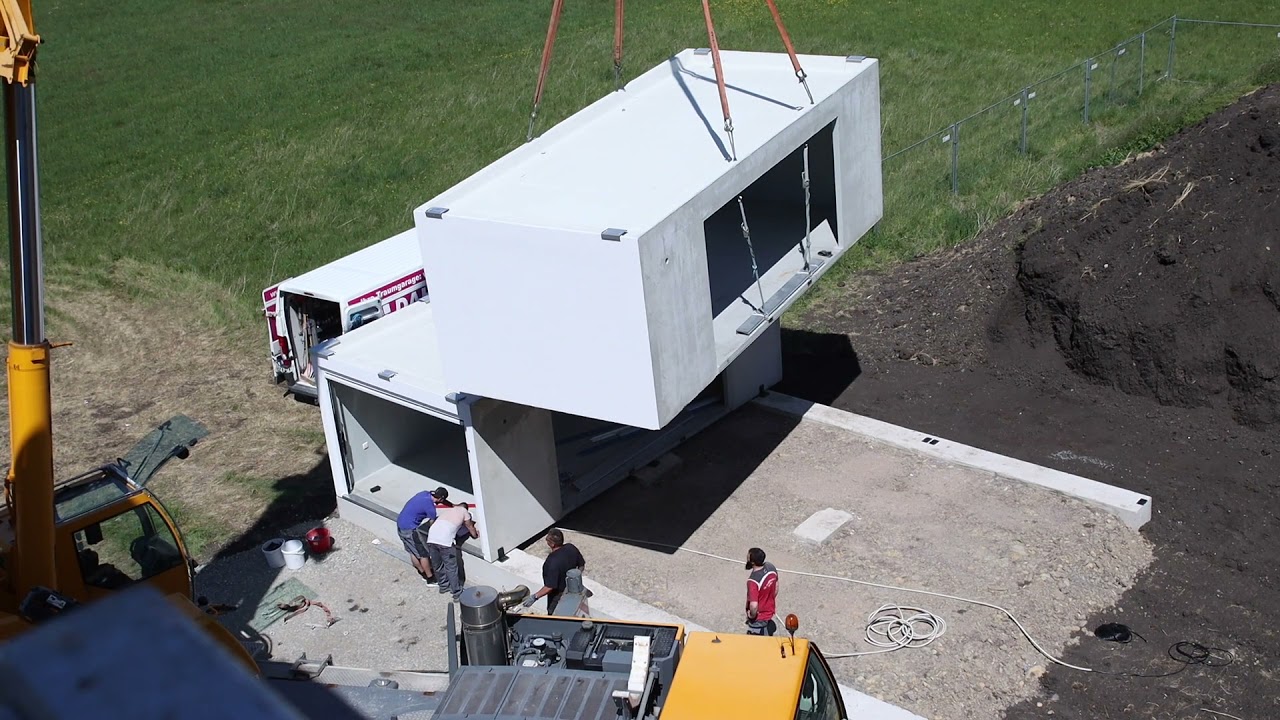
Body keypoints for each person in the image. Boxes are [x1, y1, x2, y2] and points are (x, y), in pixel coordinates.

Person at [522, 528, 585, 615]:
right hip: (572, 591)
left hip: (557, 597)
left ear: (552, 544)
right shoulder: (571, 548)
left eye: (547, 539)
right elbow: (581, 565)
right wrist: (575, 578)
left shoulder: (551, 562)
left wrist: (534, 597)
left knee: (554, 615)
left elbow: (549, 587)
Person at [425, 501, 478, 601]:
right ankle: (457, 593)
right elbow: (470, 526)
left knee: (438, 565)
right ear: (466, 509)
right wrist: (475, 535)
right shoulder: (464, 512)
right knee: (451, 568)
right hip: (445, 542)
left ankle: (443, 586)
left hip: (431, 538)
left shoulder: (448, 511)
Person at [396, 487, 448, 581]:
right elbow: (432, 525)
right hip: (410, 529)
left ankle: (421, 571)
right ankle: (430, 578)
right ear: (441, 499)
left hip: (401, 525)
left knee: (412, 551)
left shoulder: (424, 494)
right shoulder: (431, 508)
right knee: (423, 554)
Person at [744, 547, 779, 636]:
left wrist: (751, 616)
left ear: (752, 562)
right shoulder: (771, 567)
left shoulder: (753, 581)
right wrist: (768, 600)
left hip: (759, 618)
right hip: (770, 610)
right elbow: (776, 586)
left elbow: (754, 605)